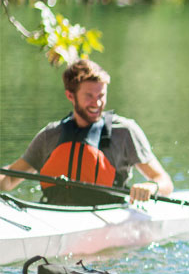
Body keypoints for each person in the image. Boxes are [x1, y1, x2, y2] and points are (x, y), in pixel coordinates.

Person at [0, 59, 173, 205]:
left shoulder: (124, 132)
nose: (96, 103)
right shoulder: (50, 135)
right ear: (70, 96)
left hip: (107, 219)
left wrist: (151, 187)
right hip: (53, 216)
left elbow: (165, 182)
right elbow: (8, 180)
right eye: (89, 96)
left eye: (101, 96)